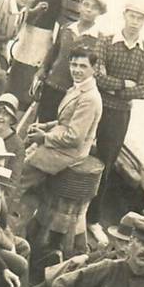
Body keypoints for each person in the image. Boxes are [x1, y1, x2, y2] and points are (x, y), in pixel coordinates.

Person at [16, 47, 103, 233]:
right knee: (22, 154)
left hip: (69, 152)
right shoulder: (78, 88)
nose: (76, 70)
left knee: (19, 175)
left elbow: (75, 137)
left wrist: (45, 137)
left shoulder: (89, 98)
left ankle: (8, 220)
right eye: (73, 65)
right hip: (60, 142)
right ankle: (24, 214)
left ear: (93, 69)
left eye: (83, 66)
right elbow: (65, 121)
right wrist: (45, 127)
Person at [86, 1, 144, 235]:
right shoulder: (105, 41)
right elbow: (96, 76)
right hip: (94, 105)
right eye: (132, 16)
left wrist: (113, 86)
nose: (135, 22)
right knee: (78, 153)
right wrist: (125, 84)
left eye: (140, 19)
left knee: (104, 166)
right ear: (124, 15)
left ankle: (92, 218)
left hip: (119, 115)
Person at [35, 0, 106, 122]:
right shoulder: (66, 28)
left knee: (61, 128)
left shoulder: (100, 39)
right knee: (42, 123)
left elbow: (96, 69)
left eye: (94, 8)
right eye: (86, 5)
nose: (89, 10)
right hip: (52, 85)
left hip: (75, 93)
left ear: (99, 13)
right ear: (79, 6)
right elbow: (54, 51)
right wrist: (42, 69)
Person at [0, 93, 25, 192]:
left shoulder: (17, 145)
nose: (0, 116)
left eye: (6, 114)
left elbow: (12, 182)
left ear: (12, 119)